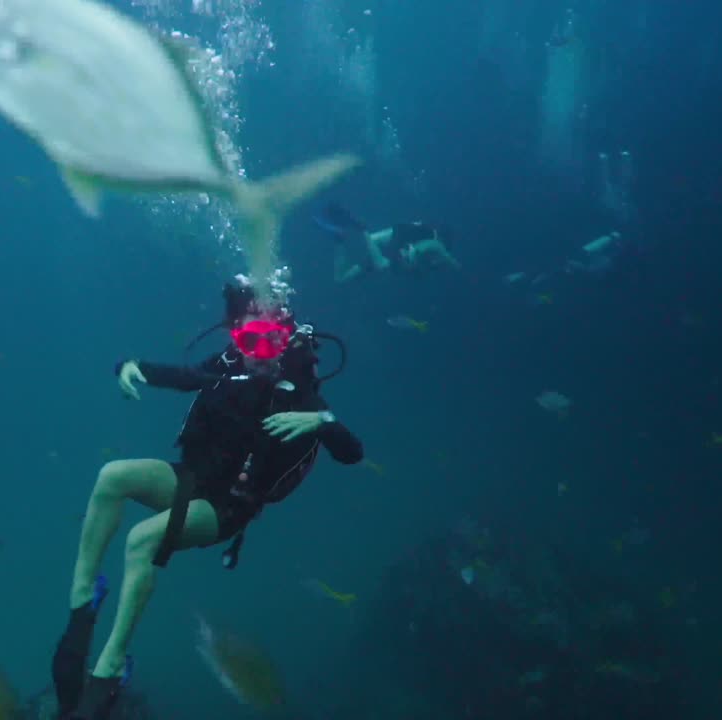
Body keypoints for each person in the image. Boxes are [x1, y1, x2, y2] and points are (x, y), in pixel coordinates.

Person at [50, 279, 365, 720]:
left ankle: (109, 667)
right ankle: (83, 605)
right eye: (246, 338)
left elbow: (353, 453)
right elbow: (186, 378)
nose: (259, 350)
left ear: (286, 333)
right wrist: (130, 365)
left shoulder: (298, 386)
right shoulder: (230, 361)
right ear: (233, 333)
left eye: (270, 338)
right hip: (190, 478)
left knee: (142, 539)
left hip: (227, 508)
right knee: (111, 476)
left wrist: (323, 420)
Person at [315, 203, 461, 283]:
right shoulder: (435, 245)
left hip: (388, 240)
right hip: (392, 244)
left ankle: (338, 239)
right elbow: (424, 248)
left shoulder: (427, 244)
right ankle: (361, 227)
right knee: (382, 265)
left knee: (340, 278)